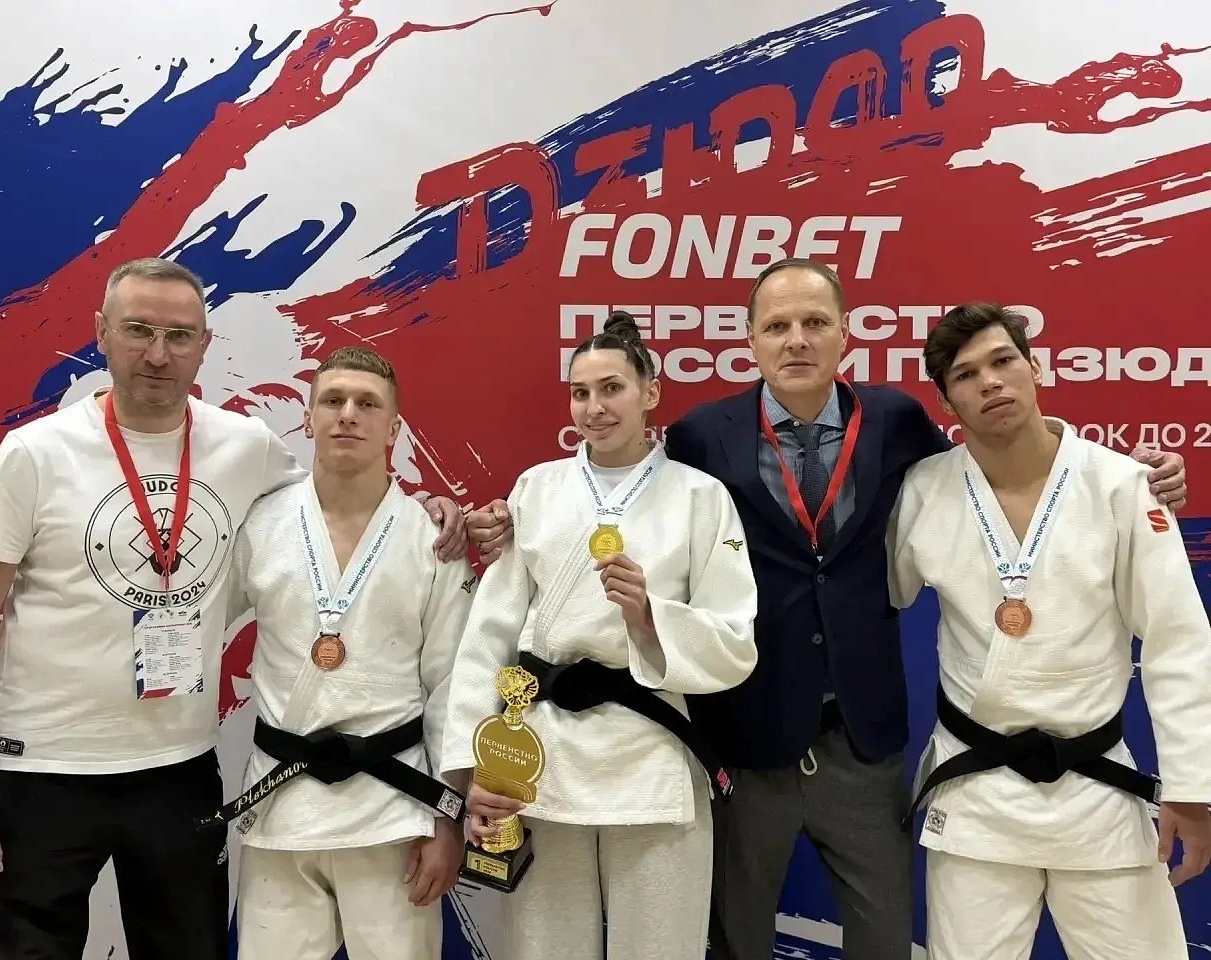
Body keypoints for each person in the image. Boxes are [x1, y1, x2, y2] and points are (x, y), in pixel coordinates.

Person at [465, 259, 1190, 960]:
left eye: (815, 322)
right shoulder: (703, 435)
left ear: (846, 332)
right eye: (777, 326)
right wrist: (504, 521)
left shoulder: (895, 419)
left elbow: (991, 455)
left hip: (861, 734)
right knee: (738, 936)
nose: (797, 340)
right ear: (750, 340)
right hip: (748, 731)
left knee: (885, 938)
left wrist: (1125, 475)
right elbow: (633, 510)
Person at [0, 257, 467, 960]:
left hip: (176, 770)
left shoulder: (245, 448)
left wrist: (433, 509)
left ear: (204, 345)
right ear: (101, 332)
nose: (159, 354)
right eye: (139, 330)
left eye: (179, 335)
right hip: (40, 769)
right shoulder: (34, 453)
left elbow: (341, 505)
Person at [888, 302, 1211, 958]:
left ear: (1034, 367)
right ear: (947, 401)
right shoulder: (924, 489)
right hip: (975, 795)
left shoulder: (1122, 486)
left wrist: (1192, 788)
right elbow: (873, 593)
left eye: (1003, 361)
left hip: (1098, 791)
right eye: (966, 374)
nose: (991, 382)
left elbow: (1178, 641)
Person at [440, 312, 759, 960]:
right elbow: (490, 631)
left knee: (661, 949)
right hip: (541, 758)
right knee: (543, 949)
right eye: (580, 393)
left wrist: (650, 617)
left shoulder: (700, 497)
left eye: (612, 388)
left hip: (651, 758)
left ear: (650, 392)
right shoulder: (537, 488)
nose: (595, 407)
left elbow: (735, 640)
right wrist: (475, 766)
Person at [217, 345, 474, 960]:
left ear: (393, 428)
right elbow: (193, 626)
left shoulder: (432, 538)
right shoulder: (261, 524)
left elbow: (454, 687)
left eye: (367, 404)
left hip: (395, 810)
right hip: (282, 807)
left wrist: (448, 816)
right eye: (332, 401)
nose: (349, 414)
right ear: (308, 420)